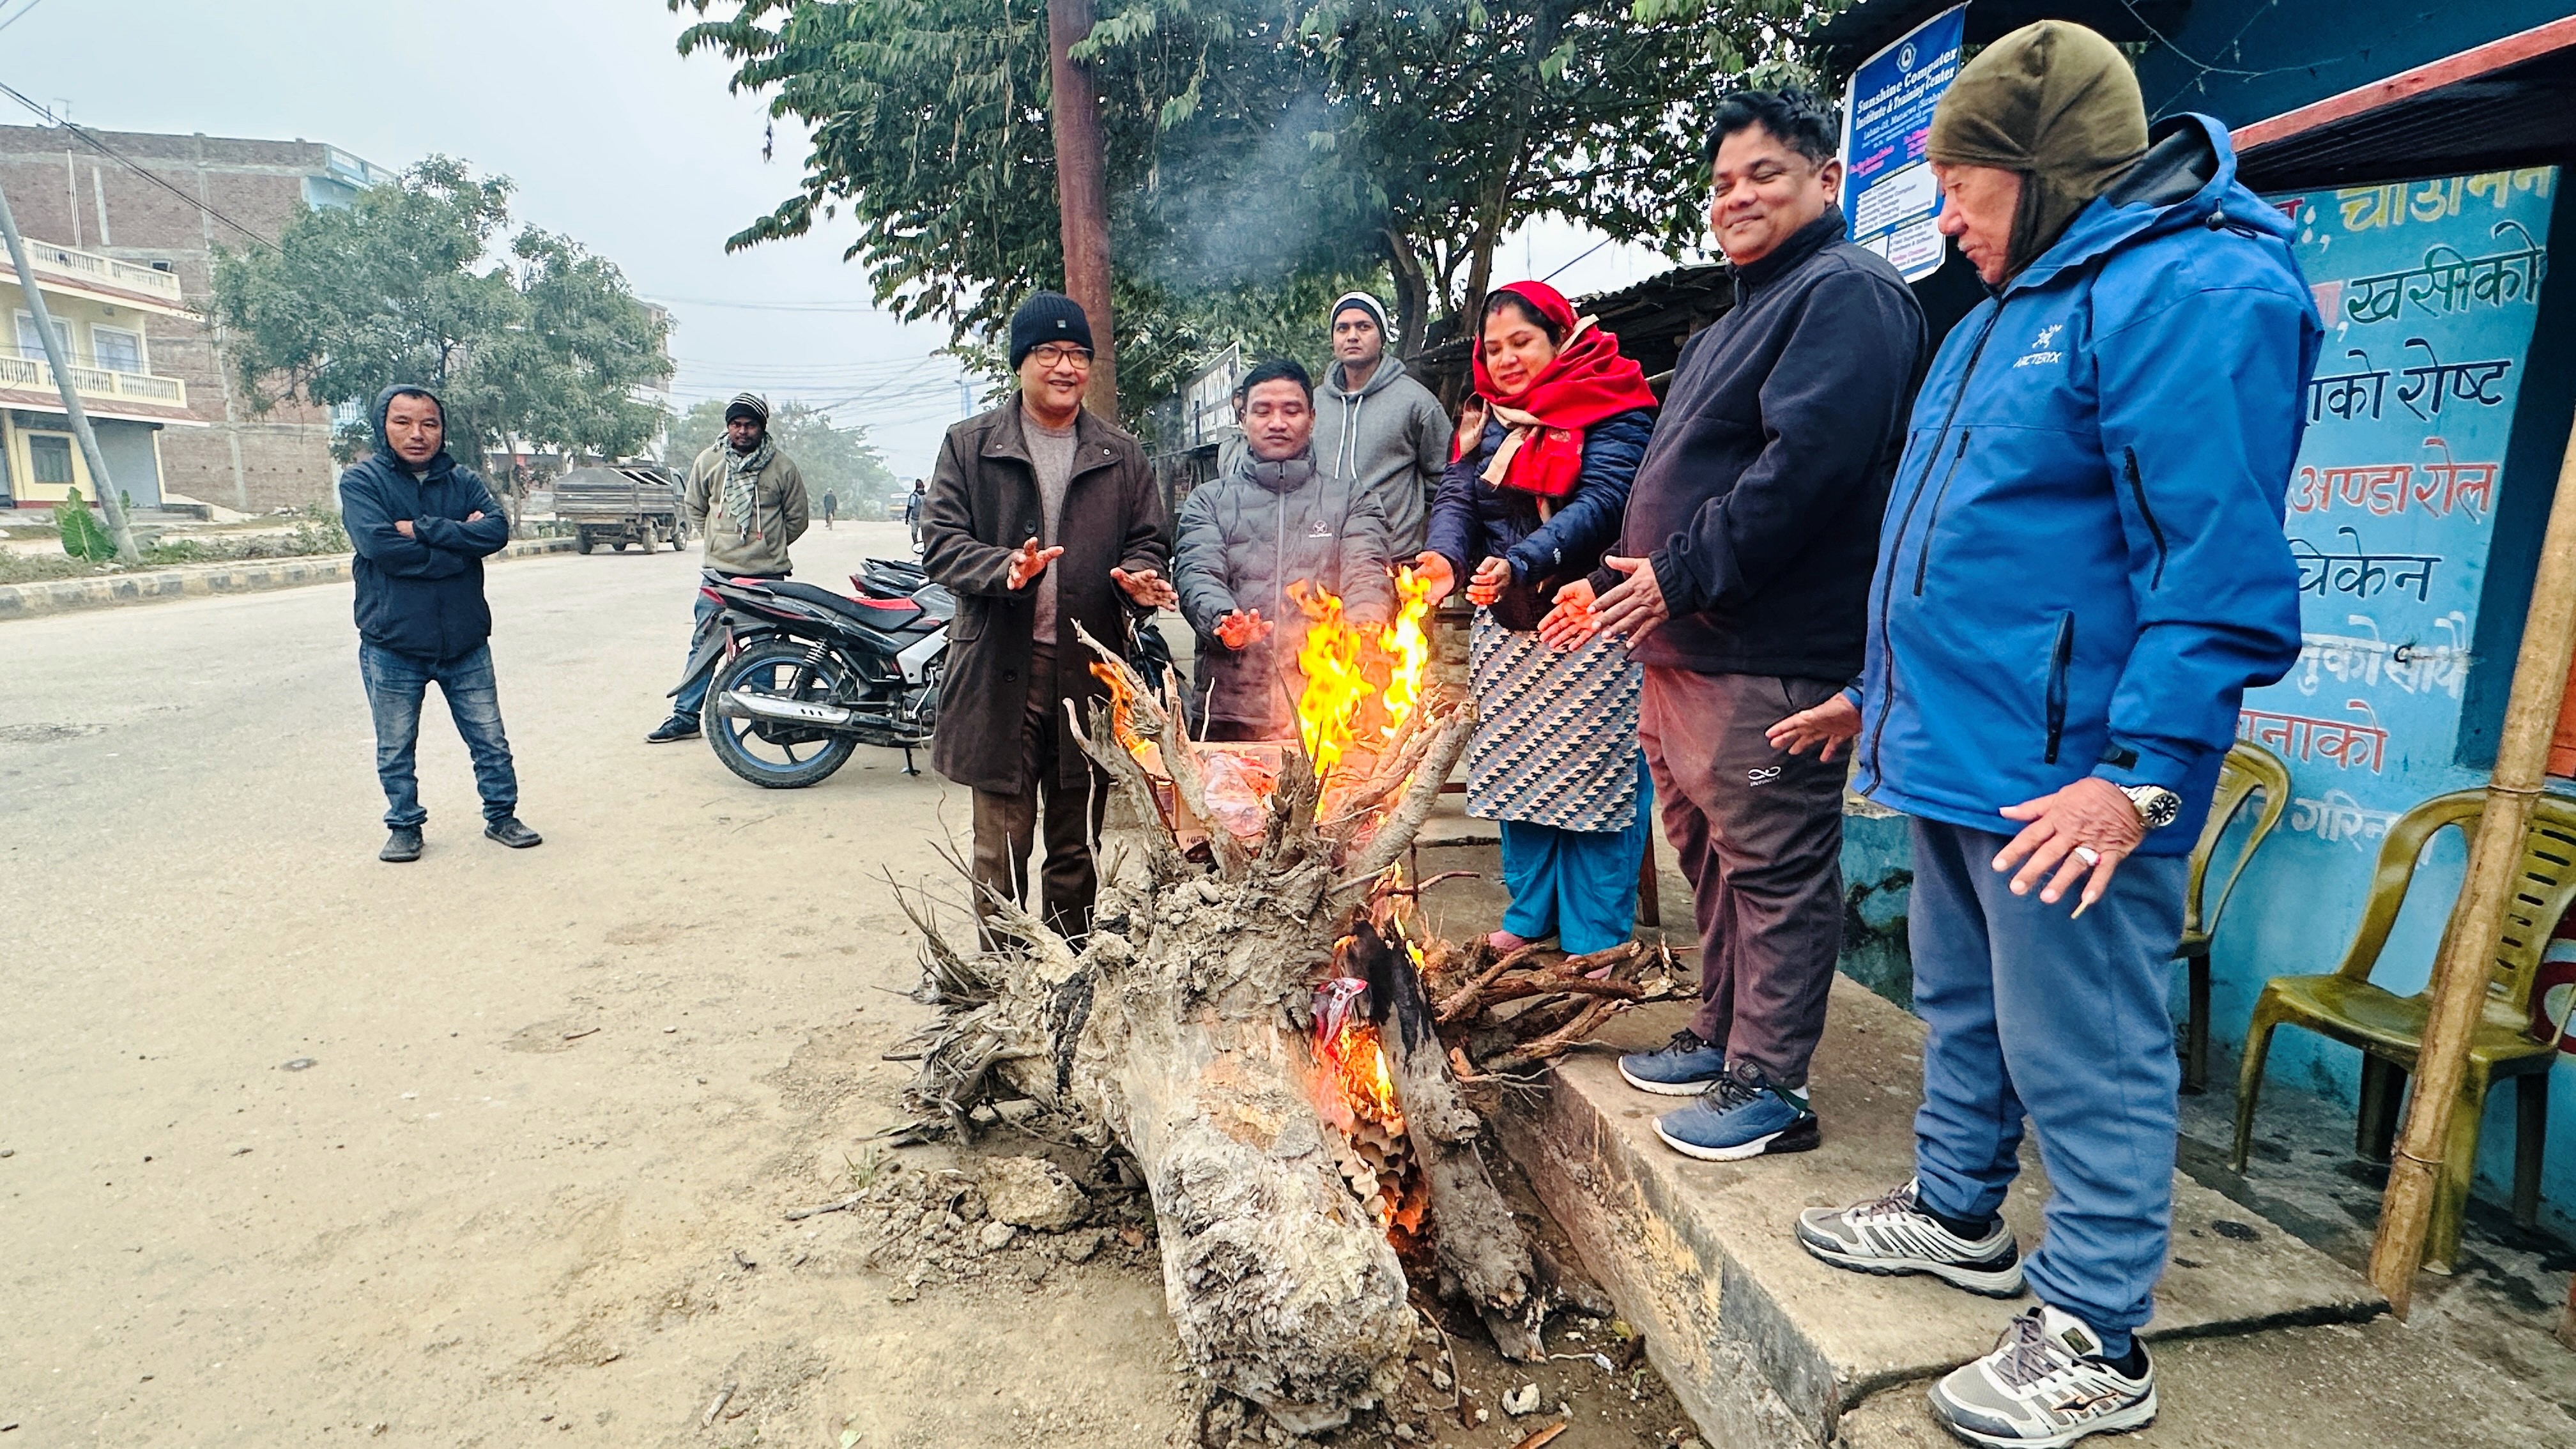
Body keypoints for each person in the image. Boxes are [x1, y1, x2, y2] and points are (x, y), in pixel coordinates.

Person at [1773, 25, 2317, 1446]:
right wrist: (1871, 696)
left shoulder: (2194, 285)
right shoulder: (2005, 306)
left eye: (1962, 184)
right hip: (1959, 743)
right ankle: (1959, 1212)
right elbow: (1964, 549)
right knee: (1964, 1005)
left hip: (2072, 769)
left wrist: (2141, 781)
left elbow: (2214, 567)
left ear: (2046, 167)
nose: (1945, 215)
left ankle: (2096, 1329)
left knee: (2088, 1043)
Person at [1558, 89, 1928, 1163]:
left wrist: (1680, 573)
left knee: (1770, 864)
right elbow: (1683, 479)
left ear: (1826, 178)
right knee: (1710, 860)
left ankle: (1772, 1082)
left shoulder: (1847, 294)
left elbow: (1802, 470)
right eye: (1721, 183)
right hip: (1686, 647)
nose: (1736, 197)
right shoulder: (1733, 320)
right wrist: (1622, 581)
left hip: (1768, 651)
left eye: (1763, 173)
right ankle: (1720, 1034)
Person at [923, 291, 1176, 942]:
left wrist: (1139, 578)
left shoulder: (1120, 455)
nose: (1065, 367)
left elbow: (1149, 538)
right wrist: (1002, 568)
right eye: (1048, 353)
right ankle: (1004, 982)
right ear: (1020, 363)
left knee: (1075, 847)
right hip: (997, 672)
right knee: (1000, 848)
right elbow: (942, 543)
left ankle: (1065, 975)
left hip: (1086, 675)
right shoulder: (970, 445)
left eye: (1077, 355)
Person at [1419, 281, 1657, 960]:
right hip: (1513, 622)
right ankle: (1530, 914)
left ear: (1560, 339)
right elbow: (1459, 495)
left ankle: (1595, 931)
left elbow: (1608, 501)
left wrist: (1522, 560)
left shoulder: (1614, 404)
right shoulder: (1488, 418)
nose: (1507, 360)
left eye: (1523, 342)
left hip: (1594, 615)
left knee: (1597, 780)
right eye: (1494, 348)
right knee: (1520, 775)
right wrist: (1443, 557)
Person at [337, 385, 540, 862]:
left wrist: (423, 529)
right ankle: (405, 826)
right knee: (395, 745)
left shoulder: (463, 479)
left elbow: (494, 531)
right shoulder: (361, 483)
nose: (417, 434)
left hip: (465, 641)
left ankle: (502, 816)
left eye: (429, 423)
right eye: (403, 422)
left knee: (489, 738)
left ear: (442, 429)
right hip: (393, 642)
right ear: (382, 426)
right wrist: (457, 548)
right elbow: (381, 549)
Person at [1175, 358, 1392, 740]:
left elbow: (1368, 574)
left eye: (1291, 410)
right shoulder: (1207, 501)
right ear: (1243, 418)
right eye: (1263, 411)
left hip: (1329, 708)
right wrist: (1224, 622)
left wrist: (1364, 628)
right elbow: (1198, 574)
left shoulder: (1352, 500)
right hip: (1230, 712)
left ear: (1311, 416)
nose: (1277, 422)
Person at [646, 394, 809, 744]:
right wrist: (719, 541)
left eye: (750, 425)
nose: (742, 432)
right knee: (703, 645)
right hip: (719, 576)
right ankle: (685, 717)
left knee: (765, 646)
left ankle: (764, 716)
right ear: (728, 427)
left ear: (761, 428)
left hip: (767, 578)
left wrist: (766, 547)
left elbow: (797, 519)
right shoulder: (710, 462)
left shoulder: (782, 467)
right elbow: (695, 507)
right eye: (736, 425)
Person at [1312, 291, 1452, 556]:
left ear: (1382, 337)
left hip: (1395, 560)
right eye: (1342, 328)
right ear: (1333, 338)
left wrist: (1417, 532)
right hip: (1325, 560)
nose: (1352, 336)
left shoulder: (1417, 401)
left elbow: (1444, 480)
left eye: (1364, 326)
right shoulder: (1314, 404)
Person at [904, 479, 927, 553]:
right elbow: (910, 507)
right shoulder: (914, 496)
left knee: (925, 533)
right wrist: (907, 517)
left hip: (924, 518)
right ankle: (916, 545)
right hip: (915, 518)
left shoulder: (926, 495)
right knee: (914, 533)